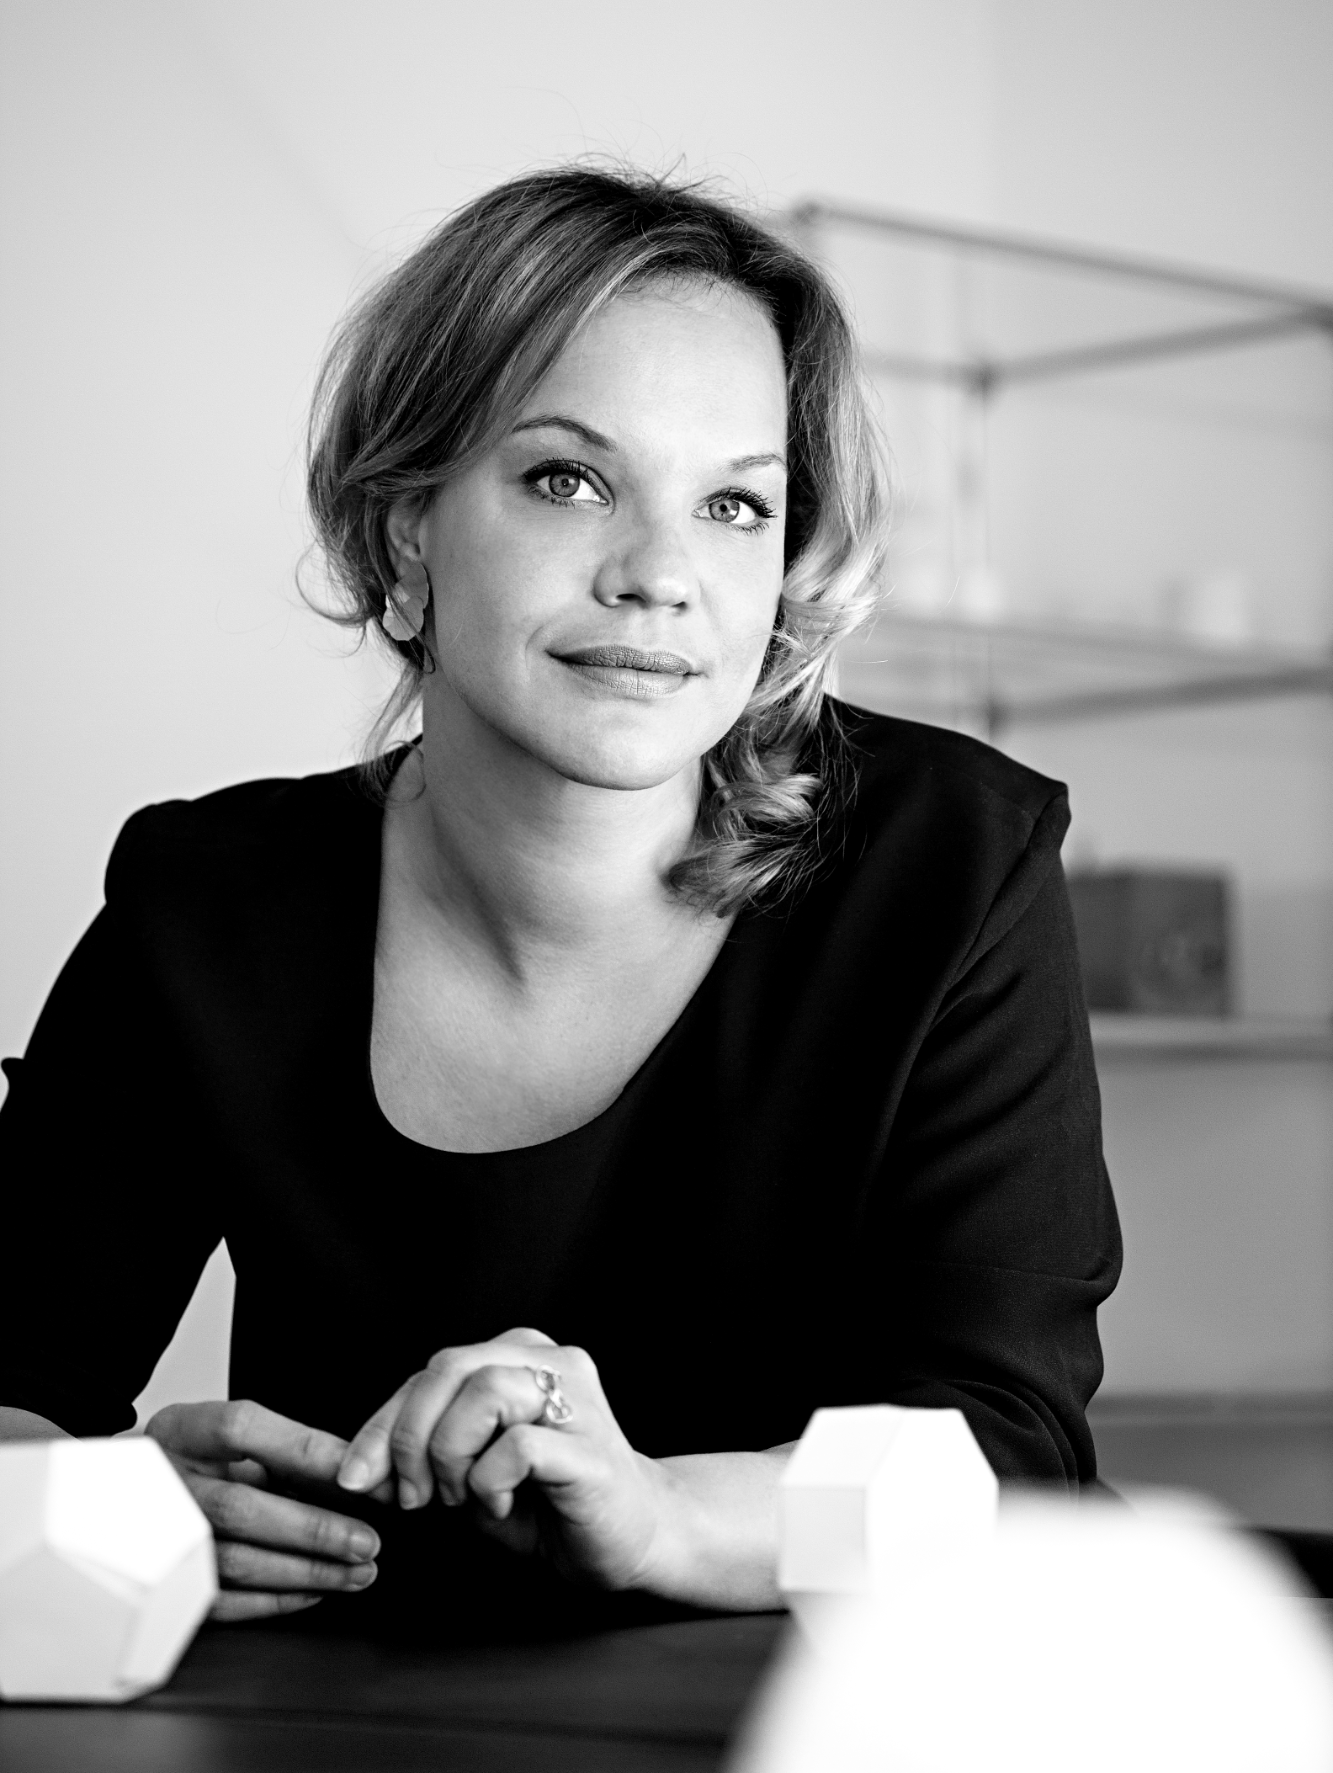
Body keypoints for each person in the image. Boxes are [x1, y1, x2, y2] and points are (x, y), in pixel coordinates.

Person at [0, 166, 1121, 1632]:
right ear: (405, 530)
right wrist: (98, 1509)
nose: (662, 575)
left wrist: (662, 1518)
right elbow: (18, 1390)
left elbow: (1003, 1458)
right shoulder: (206, 901)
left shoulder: (952, 864)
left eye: (735, 505)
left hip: (831, 1707)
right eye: (568, 481)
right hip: (352, 1718)